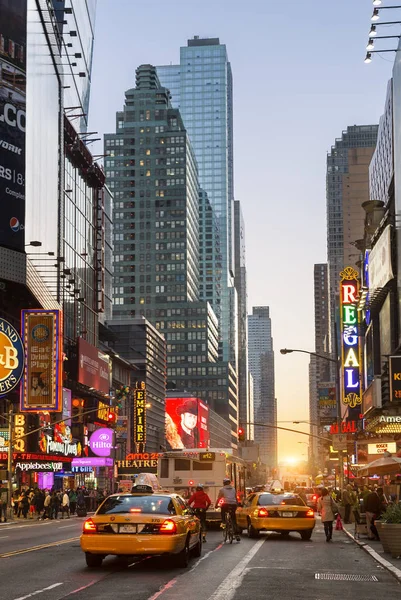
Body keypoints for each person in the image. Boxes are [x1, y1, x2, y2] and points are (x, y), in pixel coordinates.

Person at [217, 478, 241, 542]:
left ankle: (224, 522)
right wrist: (237, 505)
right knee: (233, 519)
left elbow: (219, 498)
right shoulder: (233, 489)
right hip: (233, 505)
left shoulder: (222, 489)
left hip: (226, 505)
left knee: (223, 511)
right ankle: (237, 535)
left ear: (224, 483)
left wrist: (216, 505)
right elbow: (236, 498)